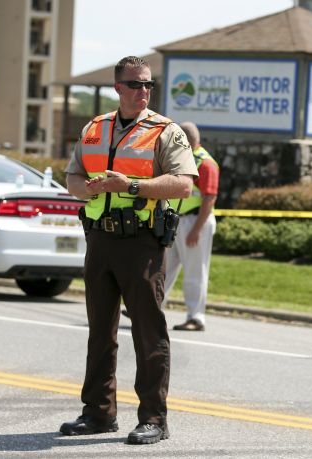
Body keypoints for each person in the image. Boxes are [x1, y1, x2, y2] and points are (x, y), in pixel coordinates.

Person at [60, 56, 198, 445]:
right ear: (117, 87)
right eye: (136, 84)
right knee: (100, 331)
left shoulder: (165, 131)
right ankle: (98, 413)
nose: (143, 92)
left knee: (147, 332)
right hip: (100, 240)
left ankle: (154, 418)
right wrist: (82, 188)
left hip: (142, 242)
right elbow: (73, 173)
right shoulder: (94, 128)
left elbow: (184, 185)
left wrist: (131, 186)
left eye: (148, 85)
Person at [163, 122, 219, 332]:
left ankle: (196, 318)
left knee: (195, 271)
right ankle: (151, 308)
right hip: (178, 221)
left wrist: (196, 229)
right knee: (164, 268)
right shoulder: (184, 160)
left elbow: (209, 199)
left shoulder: (205, 164)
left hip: (196, 222)